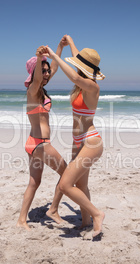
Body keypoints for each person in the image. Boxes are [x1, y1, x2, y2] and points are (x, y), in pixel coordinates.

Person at [43, 36, 106, 238]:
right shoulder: (83, 83)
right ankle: (86, 222)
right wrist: (69, 42)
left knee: (65, 185)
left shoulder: (91, 86)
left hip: (91, 141)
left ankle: (97, 214)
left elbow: (76, 77)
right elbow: (79, 63)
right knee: (81, 185)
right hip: (78, 142)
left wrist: (53, 54)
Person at [16, 38, 68, 231]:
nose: (46, 73)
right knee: (67, 173)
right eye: (42, 70)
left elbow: (52, 69)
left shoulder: (42, 90)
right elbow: (37, 78)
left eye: (47, 71)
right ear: (35, 71)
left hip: (33, 143)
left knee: (34, 182)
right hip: (40, 144)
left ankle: (22, 220)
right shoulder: (33, 90)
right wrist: (39, 59)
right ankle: (53, 210)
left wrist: (59, 48)